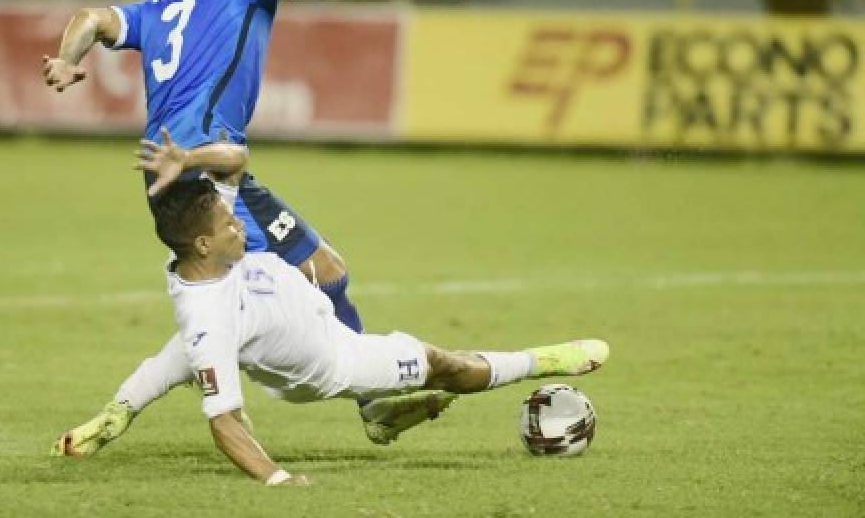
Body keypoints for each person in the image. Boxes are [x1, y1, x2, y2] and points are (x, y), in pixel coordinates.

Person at [42, 0, 468, 451]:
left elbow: (90, 18)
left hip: (183, 167)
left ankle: (370, 402)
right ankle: (170, 410)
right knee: (251, 297)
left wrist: (66, 58)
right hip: (204, 167)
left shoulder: (158, 8)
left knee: (323, 275)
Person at [60, 134, 610, 485]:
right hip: (334, 361)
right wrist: (276, 479)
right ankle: (543, 361)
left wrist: (188, 159)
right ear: (202, 245)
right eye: (228, 227)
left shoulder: (205, 263)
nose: (238, 227)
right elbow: (223, 420)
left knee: (177, 358)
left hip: (290, 318)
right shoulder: (208, 318)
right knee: (444, 364)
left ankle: (115, 414)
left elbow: (235, 162)